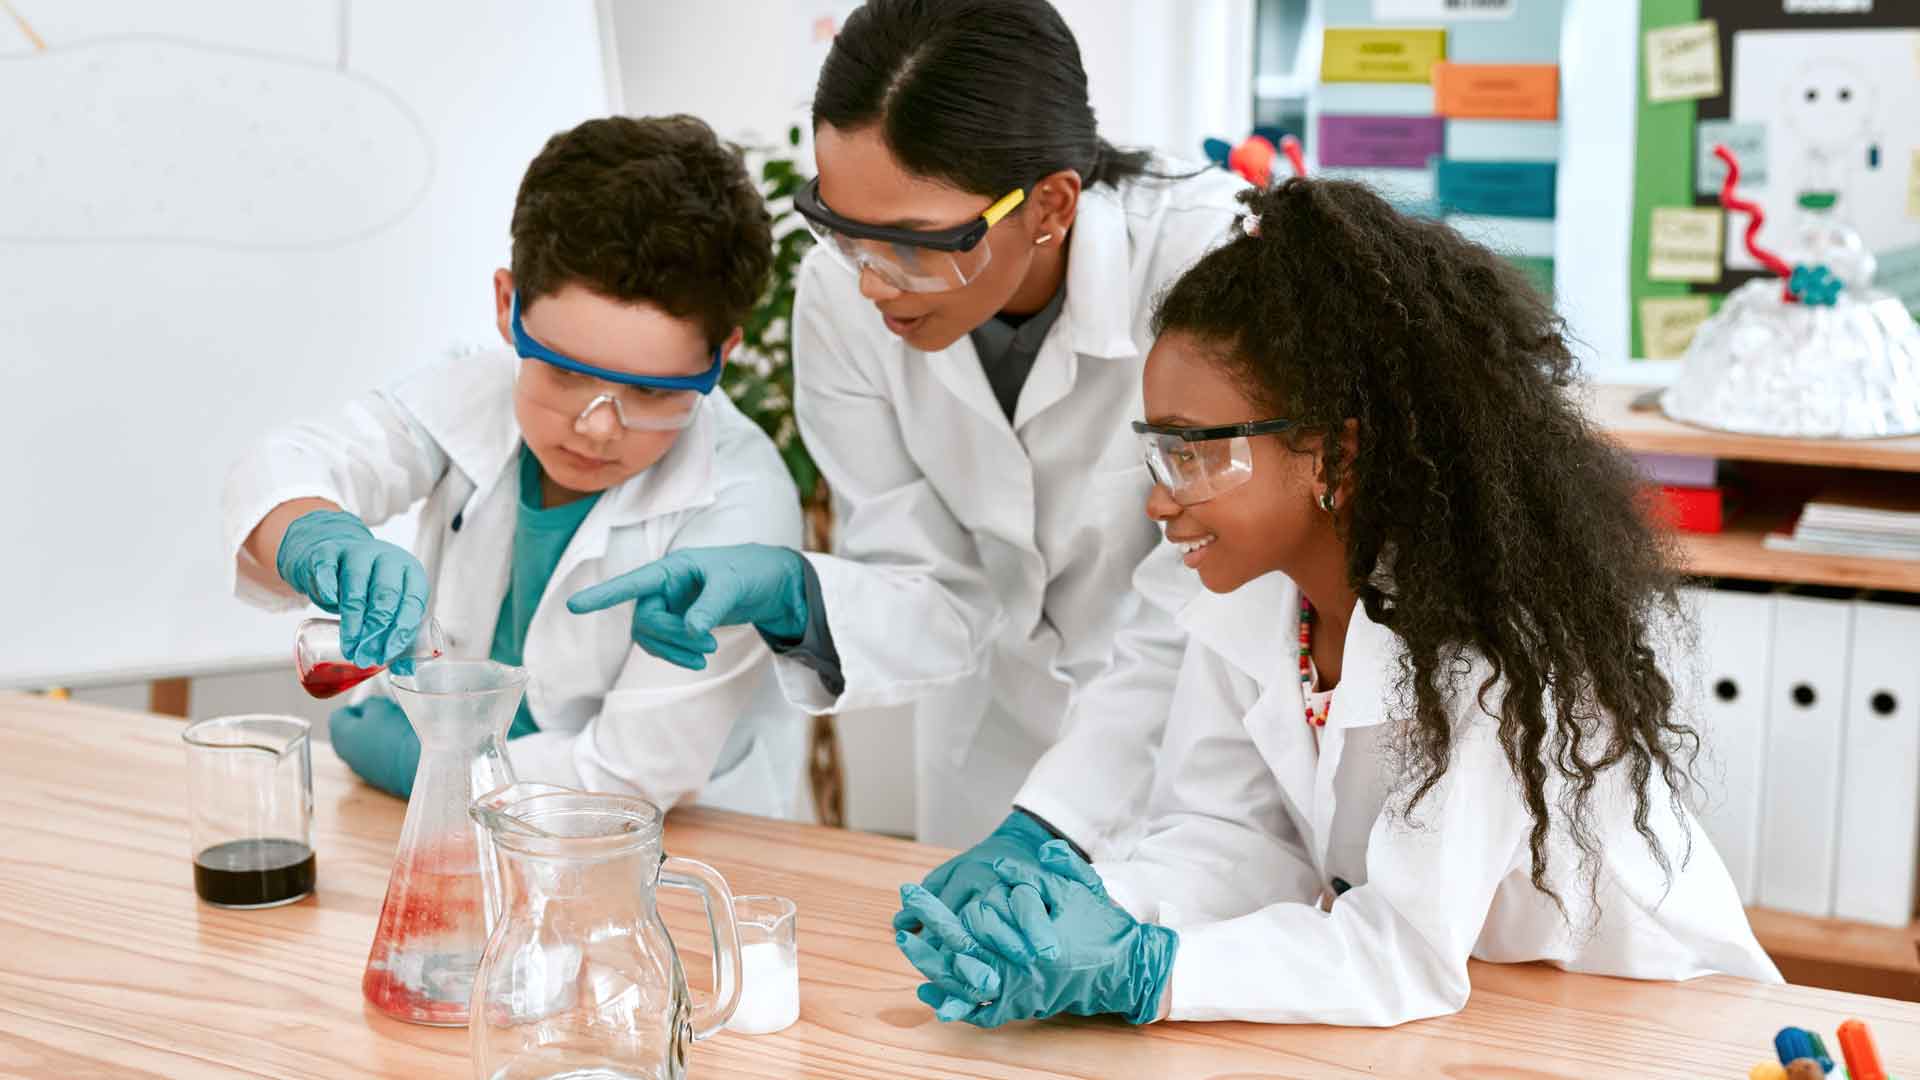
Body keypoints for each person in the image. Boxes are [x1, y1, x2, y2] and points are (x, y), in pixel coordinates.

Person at [896, 177, 1781, 1027]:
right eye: (1157, 452)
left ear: (1333, 455)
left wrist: (1146, 970)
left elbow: (1401, 952)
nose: (1159, 500)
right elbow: (1235, 840)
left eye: (1192, 454)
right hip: (1481, 1001)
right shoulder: (1252, 605)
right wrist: (1076, 916)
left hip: (1647, 1016)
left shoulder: (1488, 652)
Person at [569, 0, 1245, 888]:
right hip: (991, 746)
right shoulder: (838, 294)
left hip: (1190, 758)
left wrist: (1060, 819)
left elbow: (1197, 606)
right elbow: (936, 584)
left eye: (916, 244)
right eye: (841, 228)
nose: (874, 282)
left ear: (1050, 204)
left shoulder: (1210, 264)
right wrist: (796, 596)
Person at [222, 115, 808, 818]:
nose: (598, 427)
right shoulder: (474, 391)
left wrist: (423, 763)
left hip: (669, 848)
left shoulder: (740, 502)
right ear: (508, 306)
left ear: (722, 356)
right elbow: (289, 465)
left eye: (651, 392)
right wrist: (315, 535)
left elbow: (629, 775)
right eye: (566, 372)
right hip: (454, 831)